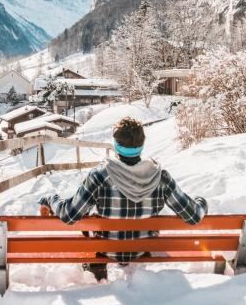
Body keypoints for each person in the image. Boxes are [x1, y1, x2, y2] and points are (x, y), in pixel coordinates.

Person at [38, 116, 208, 281]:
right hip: (144, 248)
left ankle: (96, 267)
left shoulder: (100, 175)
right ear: (141, 145)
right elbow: (193, 216)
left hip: (106, 249)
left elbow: (69, 215)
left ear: (116, 145)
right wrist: (202, 203)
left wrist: (51, 199)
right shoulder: (160, 177)